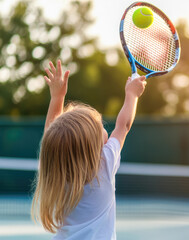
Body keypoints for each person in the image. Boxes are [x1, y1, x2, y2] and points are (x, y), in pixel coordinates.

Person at [31, 60, 147, 239]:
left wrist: (57, 98)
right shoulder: (105, 166)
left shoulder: (55, 171)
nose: (104, 128)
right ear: (92, 146)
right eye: (99, 126)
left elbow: (51, 137)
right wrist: (132, 95)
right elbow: (123, 126)